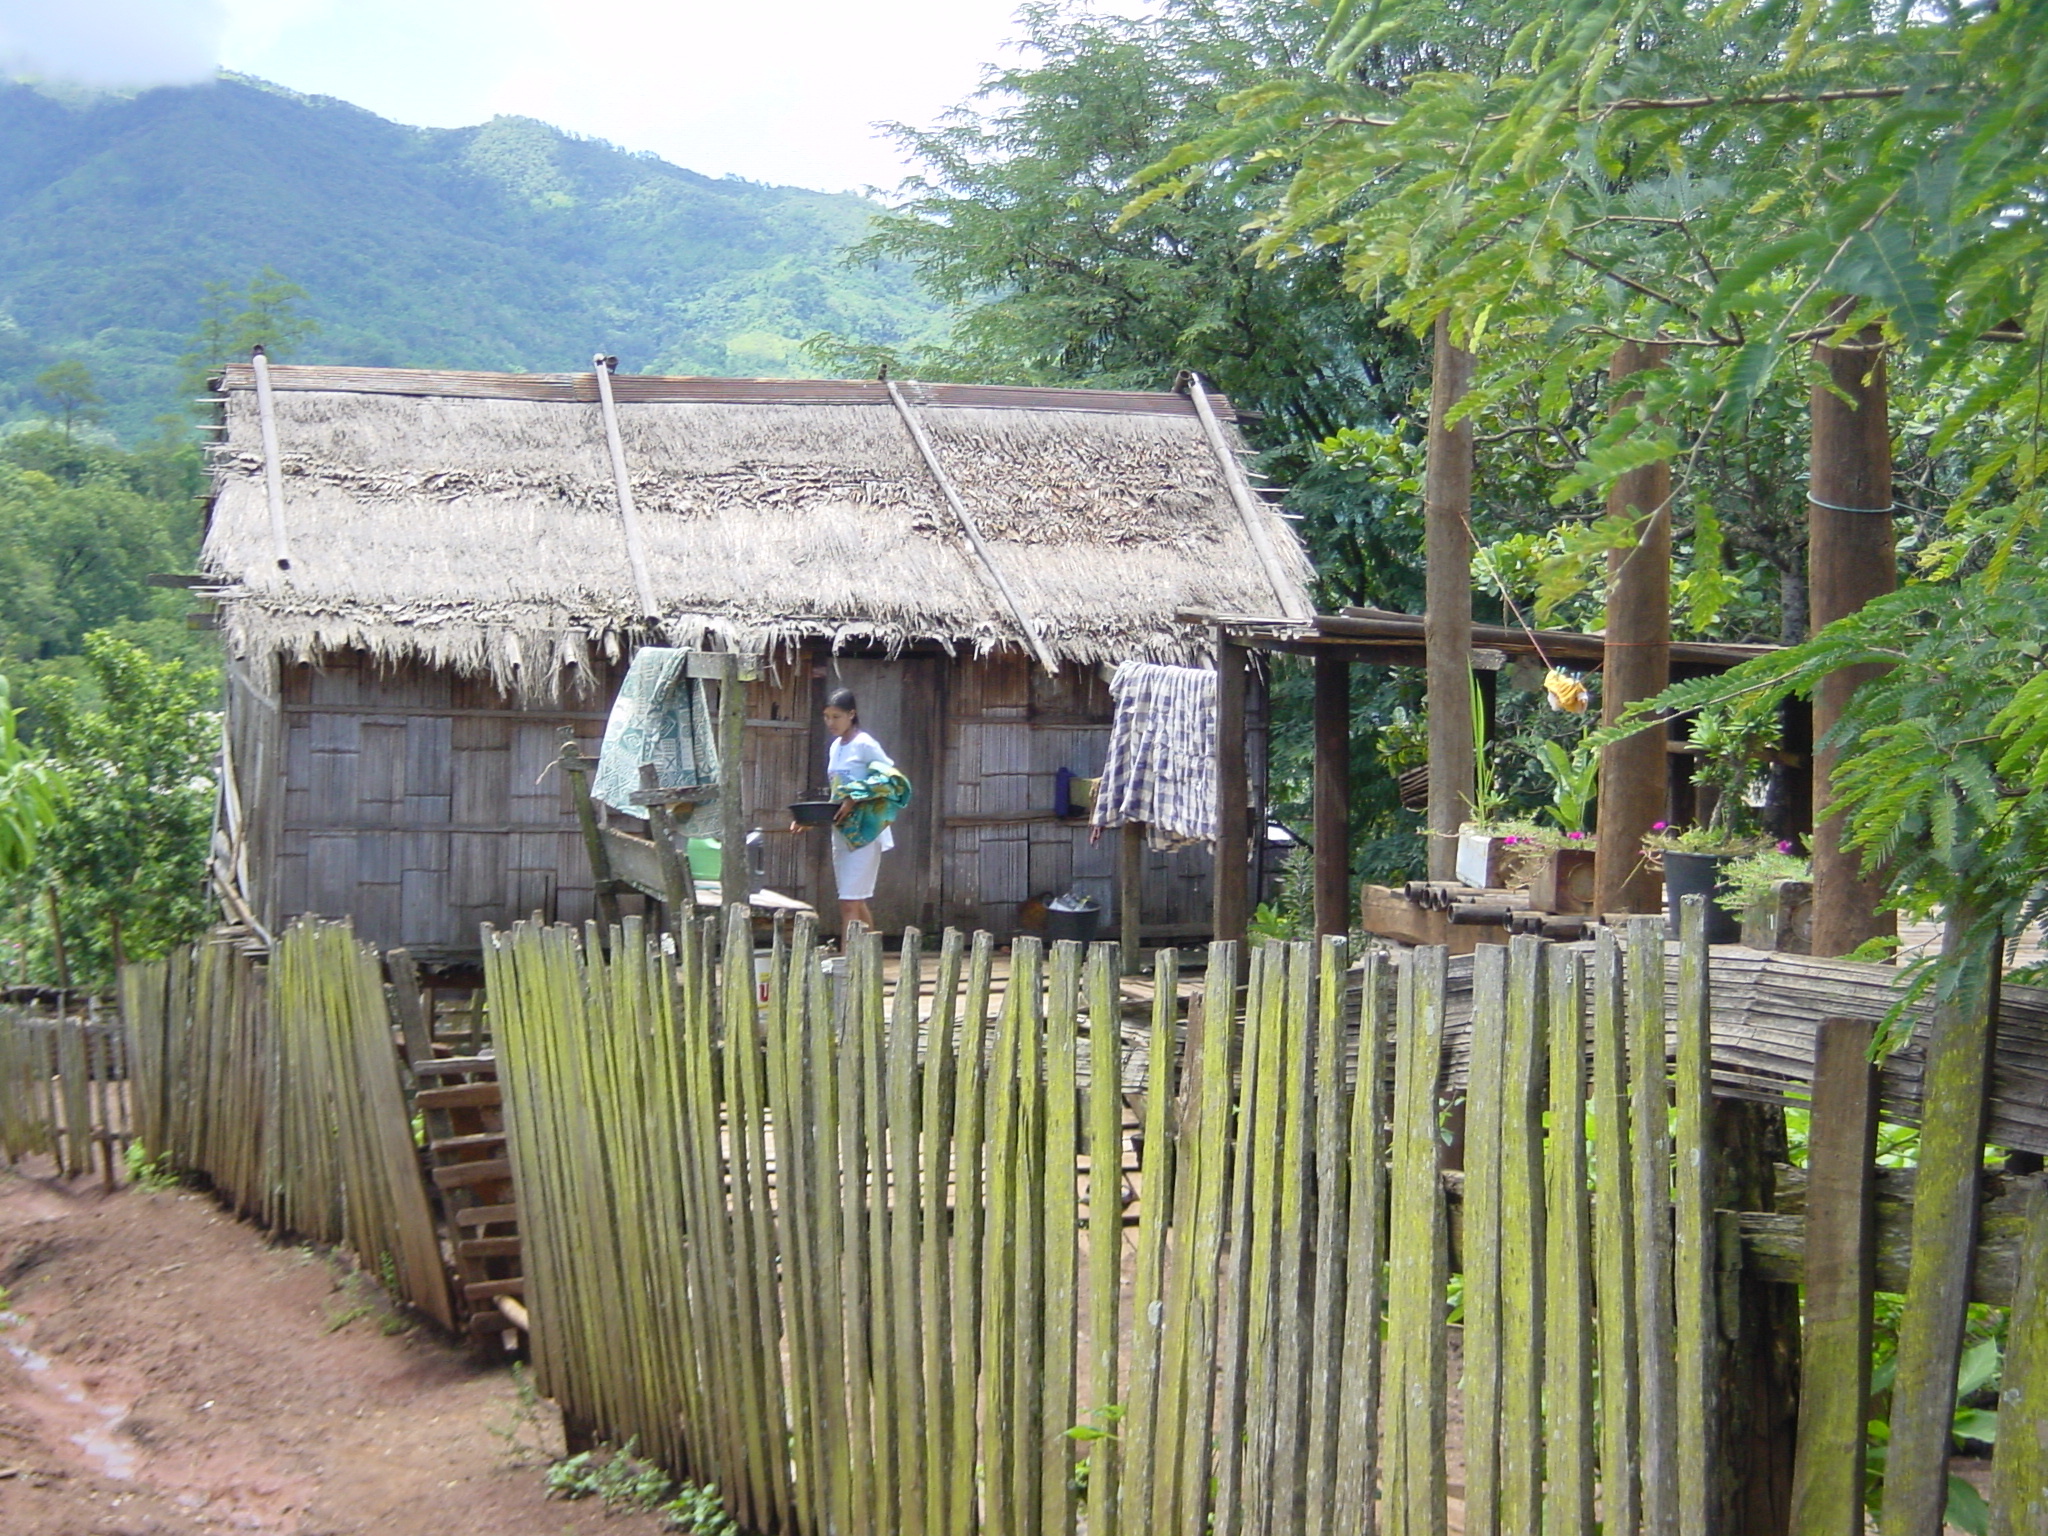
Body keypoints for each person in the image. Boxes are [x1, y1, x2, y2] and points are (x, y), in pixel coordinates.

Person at [793, 687, 910, 932]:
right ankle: (870, 959)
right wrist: (809, 819)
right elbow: (838, 793)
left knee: (848, 903)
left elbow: (890, 779)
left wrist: (855, 798)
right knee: (855, 898)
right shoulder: (836, 747)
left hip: (865, 831)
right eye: (826, 716)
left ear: (852, 714)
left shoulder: (865, 744)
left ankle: (848, 967)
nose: (830, 722)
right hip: (843, 831)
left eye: (836, 716)